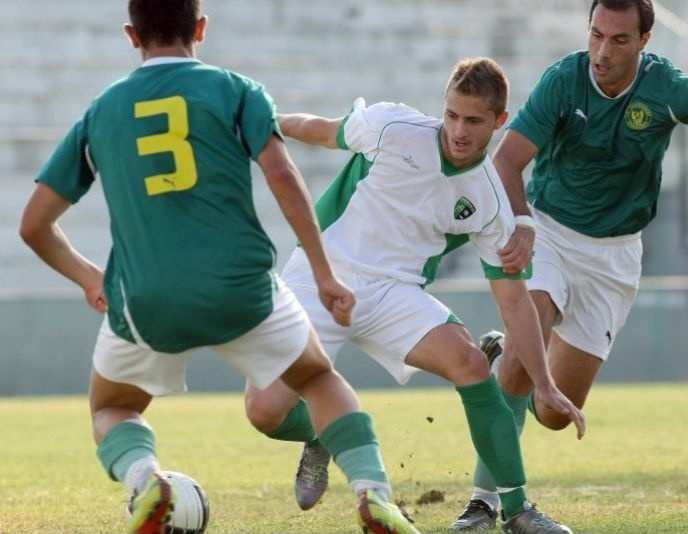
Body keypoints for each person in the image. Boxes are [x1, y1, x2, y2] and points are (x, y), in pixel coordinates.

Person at [18, 2, 419, 533]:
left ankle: (145, 479)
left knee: (112, 407)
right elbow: (282, 175)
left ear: (130, 34)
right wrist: (323, 273)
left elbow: (33, 225)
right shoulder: (236, 90)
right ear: (201, 28)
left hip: (144, 296)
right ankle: (373, 494)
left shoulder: (102, 110)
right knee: (318, 377)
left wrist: (92, 279)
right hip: (242, 289)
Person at [452, 0, 688, 529]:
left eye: (618, 40)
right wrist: (522, 224)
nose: (602, 51)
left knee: (553, 413)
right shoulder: (562, 81)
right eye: (596, 35)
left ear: (644, 41)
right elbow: (506, 161)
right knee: (525, 370)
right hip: (547, 230)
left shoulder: (672, 90)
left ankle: (506, 351)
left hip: (614, 256)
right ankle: (486, 501)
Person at [243, 57, 587, 534]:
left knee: (470, 362)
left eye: (473, 120)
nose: (459, 131)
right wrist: (264, 122)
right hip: (319, 275)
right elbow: (321, 130)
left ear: (499, 121)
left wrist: (545, 385)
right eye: (452, 115)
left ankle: (518, 510)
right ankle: (327, 427)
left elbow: (514, 302)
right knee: (264, 412)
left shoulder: (488, 200)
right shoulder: (392, 127)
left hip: (395, 292)